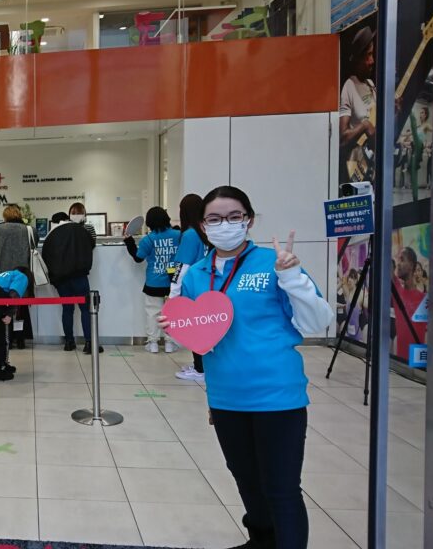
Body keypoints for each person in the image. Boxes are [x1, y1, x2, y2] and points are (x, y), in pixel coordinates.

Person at [161, 186, 334, 549]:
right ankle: (262, 541)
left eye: (234, 216)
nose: (224, 225)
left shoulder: (274, 263)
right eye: (214, 218)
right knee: (246, 480)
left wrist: (293, 278)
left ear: (249, 220)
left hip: (277, 396)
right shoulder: (196, 276)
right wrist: (174, 325)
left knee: (281, 487)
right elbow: (199, 338)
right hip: (226, 398)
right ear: (203, 226)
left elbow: (317, 321)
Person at [124, 207, 181, 354]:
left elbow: (138, 258)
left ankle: (153, 343)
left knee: (152, 313)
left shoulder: (148, 239)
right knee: (172, 313)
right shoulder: (178, 235)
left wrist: (129, 241)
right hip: (173, 282)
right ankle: (169, 343)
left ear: (149, 222)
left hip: (153, 282)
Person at [42, 212, 99, 353]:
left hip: (61, 279)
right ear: (67, 219)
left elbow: (45, 257)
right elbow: (92, 244)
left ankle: (69, 342)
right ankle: (89, 342)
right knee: (85, 309)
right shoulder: (79, 229)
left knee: (67, 310)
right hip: (79, 275)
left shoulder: (50, 235)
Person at [0, 204, 36, 349]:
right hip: (22, 274)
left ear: (5, 216)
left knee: (3, 307)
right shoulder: (28, 229)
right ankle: (21, 339)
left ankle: (7, 339)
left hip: (3, 275)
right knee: (21, 308)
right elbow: (34, 244)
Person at [169, 194, 210, 379]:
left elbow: (181, 268)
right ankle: (202, 365)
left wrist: (173, 296)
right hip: (209, 287)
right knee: (205, 329)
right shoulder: (206, 232)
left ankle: (200, 369)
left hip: (193, 290)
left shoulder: (189, 235)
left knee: (195, 330)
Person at [339, 26, 377, 184]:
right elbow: (342, 138)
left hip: (375, 164)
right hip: (359, 166)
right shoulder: (349, 86)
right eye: (368, 55)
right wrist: (364, 125)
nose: (372, 61)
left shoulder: (371, 85)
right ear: (358, 60)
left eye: (372, 54)